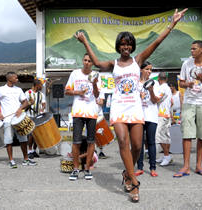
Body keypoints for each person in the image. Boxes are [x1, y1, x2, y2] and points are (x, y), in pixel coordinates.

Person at [75, 8, 187, 202]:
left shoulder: (138, 60)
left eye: (128, 44)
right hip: (119, 106)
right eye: (122, 44)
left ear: (132, 46)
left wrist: (172, 24)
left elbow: (157, 42)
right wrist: (85, 41)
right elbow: (96, 62)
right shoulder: (113, 64)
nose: (125, 47)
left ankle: (127, 173)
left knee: (137, 145)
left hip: (135, 107)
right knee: (123, 142)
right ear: (118, 46)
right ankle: (134, 181)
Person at [173, 40, 202, 177]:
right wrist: (188, 84)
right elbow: (181, 82)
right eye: (191, 49)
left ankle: (198, 166)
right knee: (187, 134)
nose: (191, 51)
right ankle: (185, 166)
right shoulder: (186, 64)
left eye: (194, 49)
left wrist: (201, 78)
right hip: (189, 102)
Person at [65, 53, 100, 181]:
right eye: (85, 60)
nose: (86, 62)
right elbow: (67, 90)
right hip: (78, 112)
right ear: (82, 61)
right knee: (76, 141)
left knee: (91, 141)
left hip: (91, 112)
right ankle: (75, 169)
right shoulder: (75, 73)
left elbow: (97, 95)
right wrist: (78, 92)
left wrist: (95, 84)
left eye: (89, 61)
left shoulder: (96, 75)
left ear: (92, 63)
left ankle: (86, 169)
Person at [0, 72, 37, 168]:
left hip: (18, 119)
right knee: (9, 141)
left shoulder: (18, 89)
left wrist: (20, 108)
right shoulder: (1, 90)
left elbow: (25, 102)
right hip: (7, 120)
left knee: (23, 140)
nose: (17, 79)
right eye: (15, 78)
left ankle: (26, 159)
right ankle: (11, 160)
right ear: (9, 79)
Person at [135, 61, 159, 177]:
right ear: (141, 70)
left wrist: (151, 91)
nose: (149, 71)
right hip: (139, 116)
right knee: (139, 143)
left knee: (151, 142)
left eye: (151, 69)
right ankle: (139, 167)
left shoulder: (155, 83)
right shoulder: (135, 83)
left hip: (151, 116)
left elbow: (155, 101)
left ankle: (153, 168)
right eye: (147, 69)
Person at [155, 73, 173, 166]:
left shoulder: (162, 88)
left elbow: (157, 99)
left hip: (161, 114)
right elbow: (172, 102)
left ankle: (167, 155)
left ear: (159, 79)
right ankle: (166, 155)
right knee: (165, 136)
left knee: (159, 135)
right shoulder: (168, 88)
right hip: (166, 114)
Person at [25, 79, 46, 159]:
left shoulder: (41, 94)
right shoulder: (27, 93)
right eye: (41, 85)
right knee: (31, 134)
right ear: (37, 85)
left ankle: (34, 150)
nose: (41, 87)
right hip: (29, 116)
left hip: (38, 116)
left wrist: (42, 108)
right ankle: (29, 151)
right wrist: (30, 103)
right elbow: (24, 105)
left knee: (38, 134)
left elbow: (44, 103)